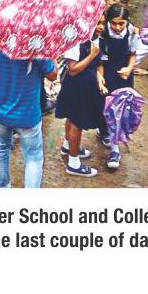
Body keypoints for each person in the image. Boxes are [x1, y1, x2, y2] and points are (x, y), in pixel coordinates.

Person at [0, 36, 57, 188]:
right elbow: (52, 75)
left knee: (1, 149)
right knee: (33, 157)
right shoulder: (36, 46)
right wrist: (51, 56)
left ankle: (1, 187)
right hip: (28, 115)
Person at [55, 15, 105, 177]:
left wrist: (100, 78)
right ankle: (74, 163)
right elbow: (73, 69)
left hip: (87, 86)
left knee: (72, 119)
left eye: (103, 23)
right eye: (97, 23)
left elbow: (99, 64)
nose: (100, 27)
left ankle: (68, 146)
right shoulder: (77, 41)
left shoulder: (95, 40)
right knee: (77, 122)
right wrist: (91, 55)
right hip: (76, 87)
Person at [99, 3, 142, 171]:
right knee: (104, 106)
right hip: (107, 73)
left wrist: (129, 68)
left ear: (127, 21)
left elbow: (132, 54)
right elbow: (100, 59)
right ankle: (104, 131)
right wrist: (101, 77)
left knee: (119, 110)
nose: (117, 27)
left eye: (121, 23)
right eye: (114, 23)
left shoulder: (132, 33)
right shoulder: (102, 33)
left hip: (124, 75)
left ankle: (115, 150)